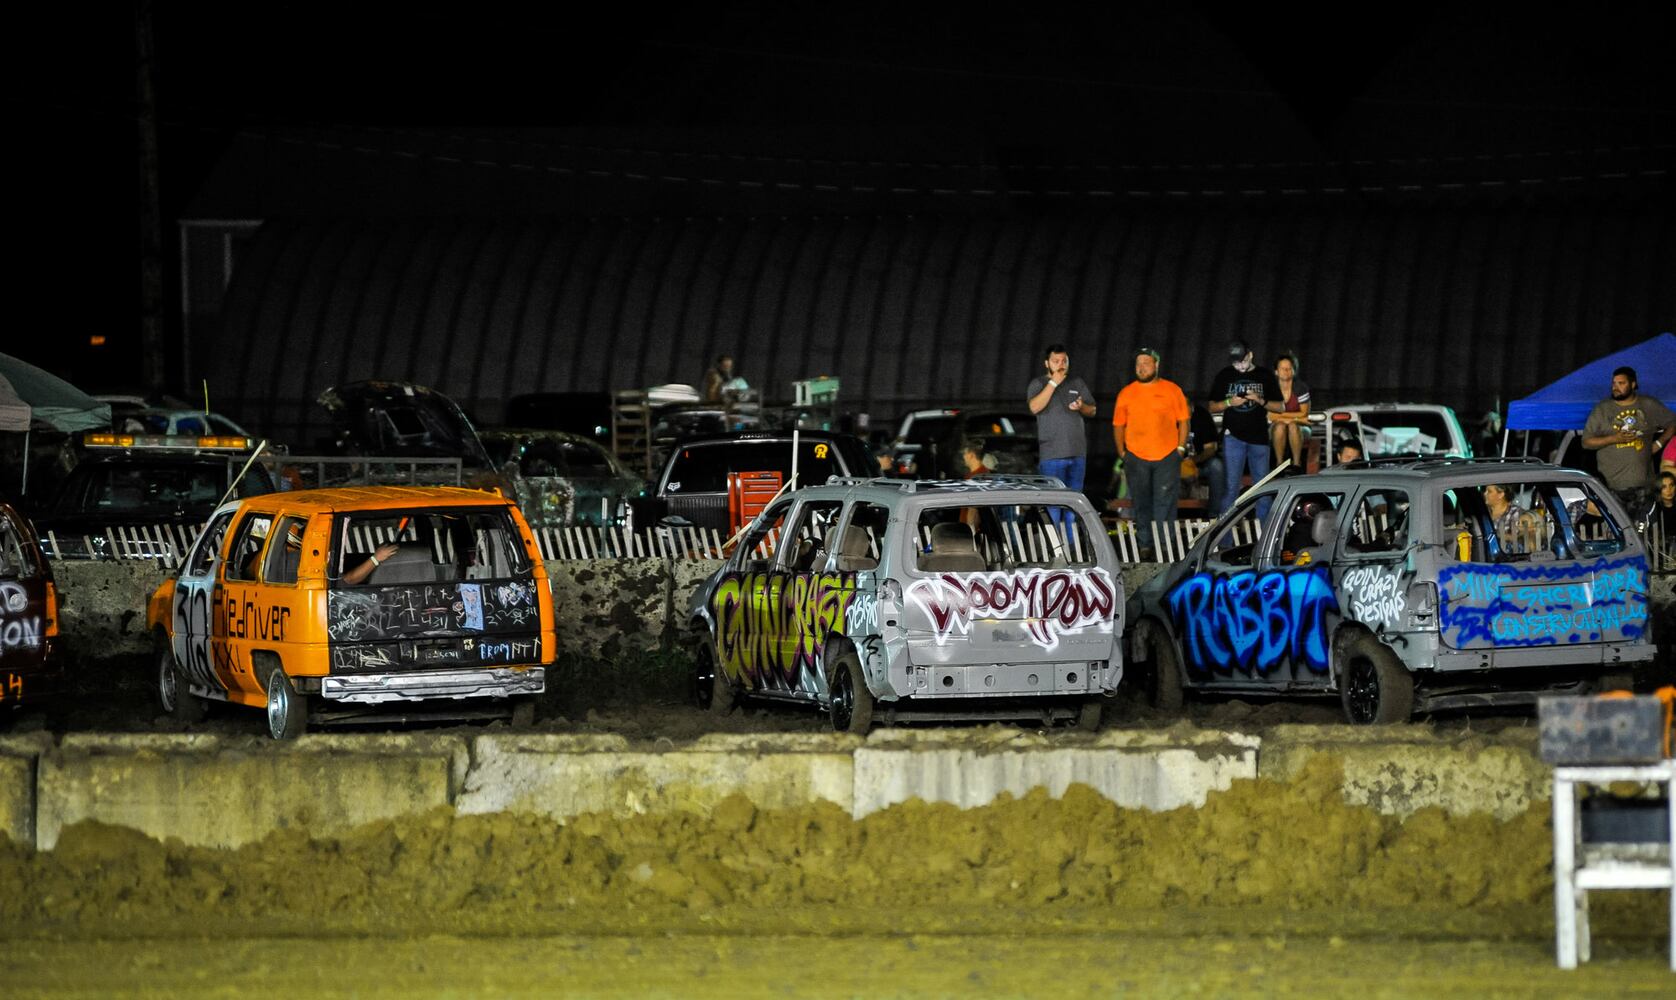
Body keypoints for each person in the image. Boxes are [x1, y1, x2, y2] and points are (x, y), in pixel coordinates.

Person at [1112, 347, 1190, 555]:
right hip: (1136, 457)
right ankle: (1144, 544)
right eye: (1138, 364)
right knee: (1141, 502)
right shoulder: (1127, 393)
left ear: (1156, 364)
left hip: (1167, 456)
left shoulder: (1172, 390)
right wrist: (1122, 452)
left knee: (1165, 502)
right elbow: (1118, 425)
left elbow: (1183, 421)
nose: (1141, 368)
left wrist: (1180, 449)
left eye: (1146, 363)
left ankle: (1165, 545)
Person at [1582, 365, 1675, 514]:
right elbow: (1586, 442)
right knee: (1619, 531)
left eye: (1621, 383)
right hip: (1613, 488)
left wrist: (1659, 443)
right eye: (1613, 383)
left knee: (1644, 531)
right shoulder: (1603, 409)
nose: (1616, 387)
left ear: (1633, 384)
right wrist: (1614, 438)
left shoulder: (1648, 405)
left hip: (1644, 487)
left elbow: (1672, 422)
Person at [1207, 341, 1283, 516]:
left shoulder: (1264, 375)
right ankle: (1225, 541)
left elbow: (1280, 407)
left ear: (1250, 355)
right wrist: (1229, 402)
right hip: (1233, 437)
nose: (1239, 366)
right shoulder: (1225, 375)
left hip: (1259, 438)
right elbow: (1211, 406)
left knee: (1262, 489)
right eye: (1235, 362)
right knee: (1231, 488)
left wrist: (1259, 400)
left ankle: (1265, 537)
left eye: (1242, 361)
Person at [1025, 344, 1097, 491]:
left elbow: (1093, 410)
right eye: (1055, 361)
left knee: (1073, 503)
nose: (1061, 365)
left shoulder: (1076, 382)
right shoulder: (1038, 383)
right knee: (1054, 504)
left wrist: (1082, 406)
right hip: (1052, 456)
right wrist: (1053, 383)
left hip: (1077, 454)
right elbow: (1034, 407)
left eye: (1064, 361)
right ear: (1047, 363)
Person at [1268, 351, 1311, 474]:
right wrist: (1293, 418)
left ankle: (1297, 464)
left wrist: (1283, 417)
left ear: (1293, 370)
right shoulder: (1271, 389)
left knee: (1292, 426)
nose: (1286, 371)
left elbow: (1304, 413)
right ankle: (1279, 464)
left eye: (1289, 368)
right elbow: (1270, 415)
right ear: (1276, 371)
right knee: (1280, 427)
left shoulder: (1301, 387)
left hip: (1301, 426)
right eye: (1282, 368)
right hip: (1277, 426)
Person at [1183, 404, 1225, 514]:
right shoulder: (1168, 415)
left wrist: (1194, 461)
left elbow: (1211, 447)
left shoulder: (1201, 415)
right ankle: (1163, 520)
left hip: (1200, 463)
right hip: (1175, 464)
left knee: (1217, 466)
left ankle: (1214, 516)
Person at [1482, 483, 1536, 555]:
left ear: (1501, 494)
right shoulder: (1482, 513)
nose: (1485, 494)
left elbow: (1525, 539)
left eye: (1489, 491)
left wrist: (1500, 536)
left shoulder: (1517, 514)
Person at [1645, 472, 1676, 568]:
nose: (1669, 490)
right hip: (1660, 555)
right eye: (1664, 487)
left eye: (1671, 485)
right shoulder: (1653, 509)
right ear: (1658, 489)